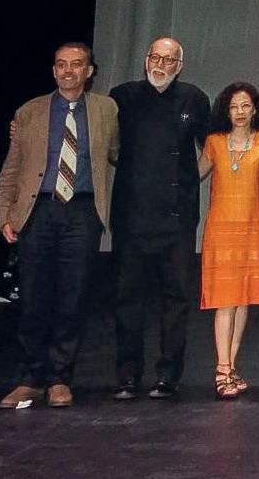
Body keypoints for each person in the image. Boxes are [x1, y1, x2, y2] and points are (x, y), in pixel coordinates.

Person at [0, 42, 119, 409]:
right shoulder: (29, 111)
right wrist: (4, 213)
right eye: (61, 64)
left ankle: (60, 378)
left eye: (76, 64)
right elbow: (13, 166)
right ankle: (30, 378)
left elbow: (118, 153)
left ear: (89, 71)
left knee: (72, 297)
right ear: (53, 71)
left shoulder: (106, 110)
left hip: (82, 211)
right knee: (33, 298)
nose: (68, 71)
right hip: (39, 211)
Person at [109, 37, 210, 400]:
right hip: (131, 215)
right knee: (127, 299)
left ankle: (168, 376)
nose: (161, 64)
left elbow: (212, 148)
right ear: (145, 60)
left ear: (179, 66)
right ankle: (127, 375)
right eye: (155, 57)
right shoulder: (122, 97)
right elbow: (107, 146)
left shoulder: (194, 99)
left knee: (176, 299)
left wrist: (188, 181)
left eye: (169, 60)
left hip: (176, 217)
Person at [196, 82, 259, 400]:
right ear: (225, 111)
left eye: (245, 106)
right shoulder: (214, 142)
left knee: (243, 301)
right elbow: (194, 175)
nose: (239, 112)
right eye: (233, 107)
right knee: (225, 300)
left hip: (254, 229)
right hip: (221, 231)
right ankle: (222, 368)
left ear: (255, 109)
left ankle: (232, 366)